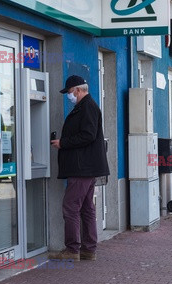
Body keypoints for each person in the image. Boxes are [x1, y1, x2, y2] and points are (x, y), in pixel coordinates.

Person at [49, 75, 109, 261]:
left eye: (69, 92)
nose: (69, 95)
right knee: (86, 208)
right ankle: (88, 249)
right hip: (86, 167)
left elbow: (88, 135)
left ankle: (73, 249)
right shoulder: (84, 107)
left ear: (78, 89)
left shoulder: (87, 107)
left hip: (82, 168)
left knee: (71, 206)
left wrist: (63, 143)